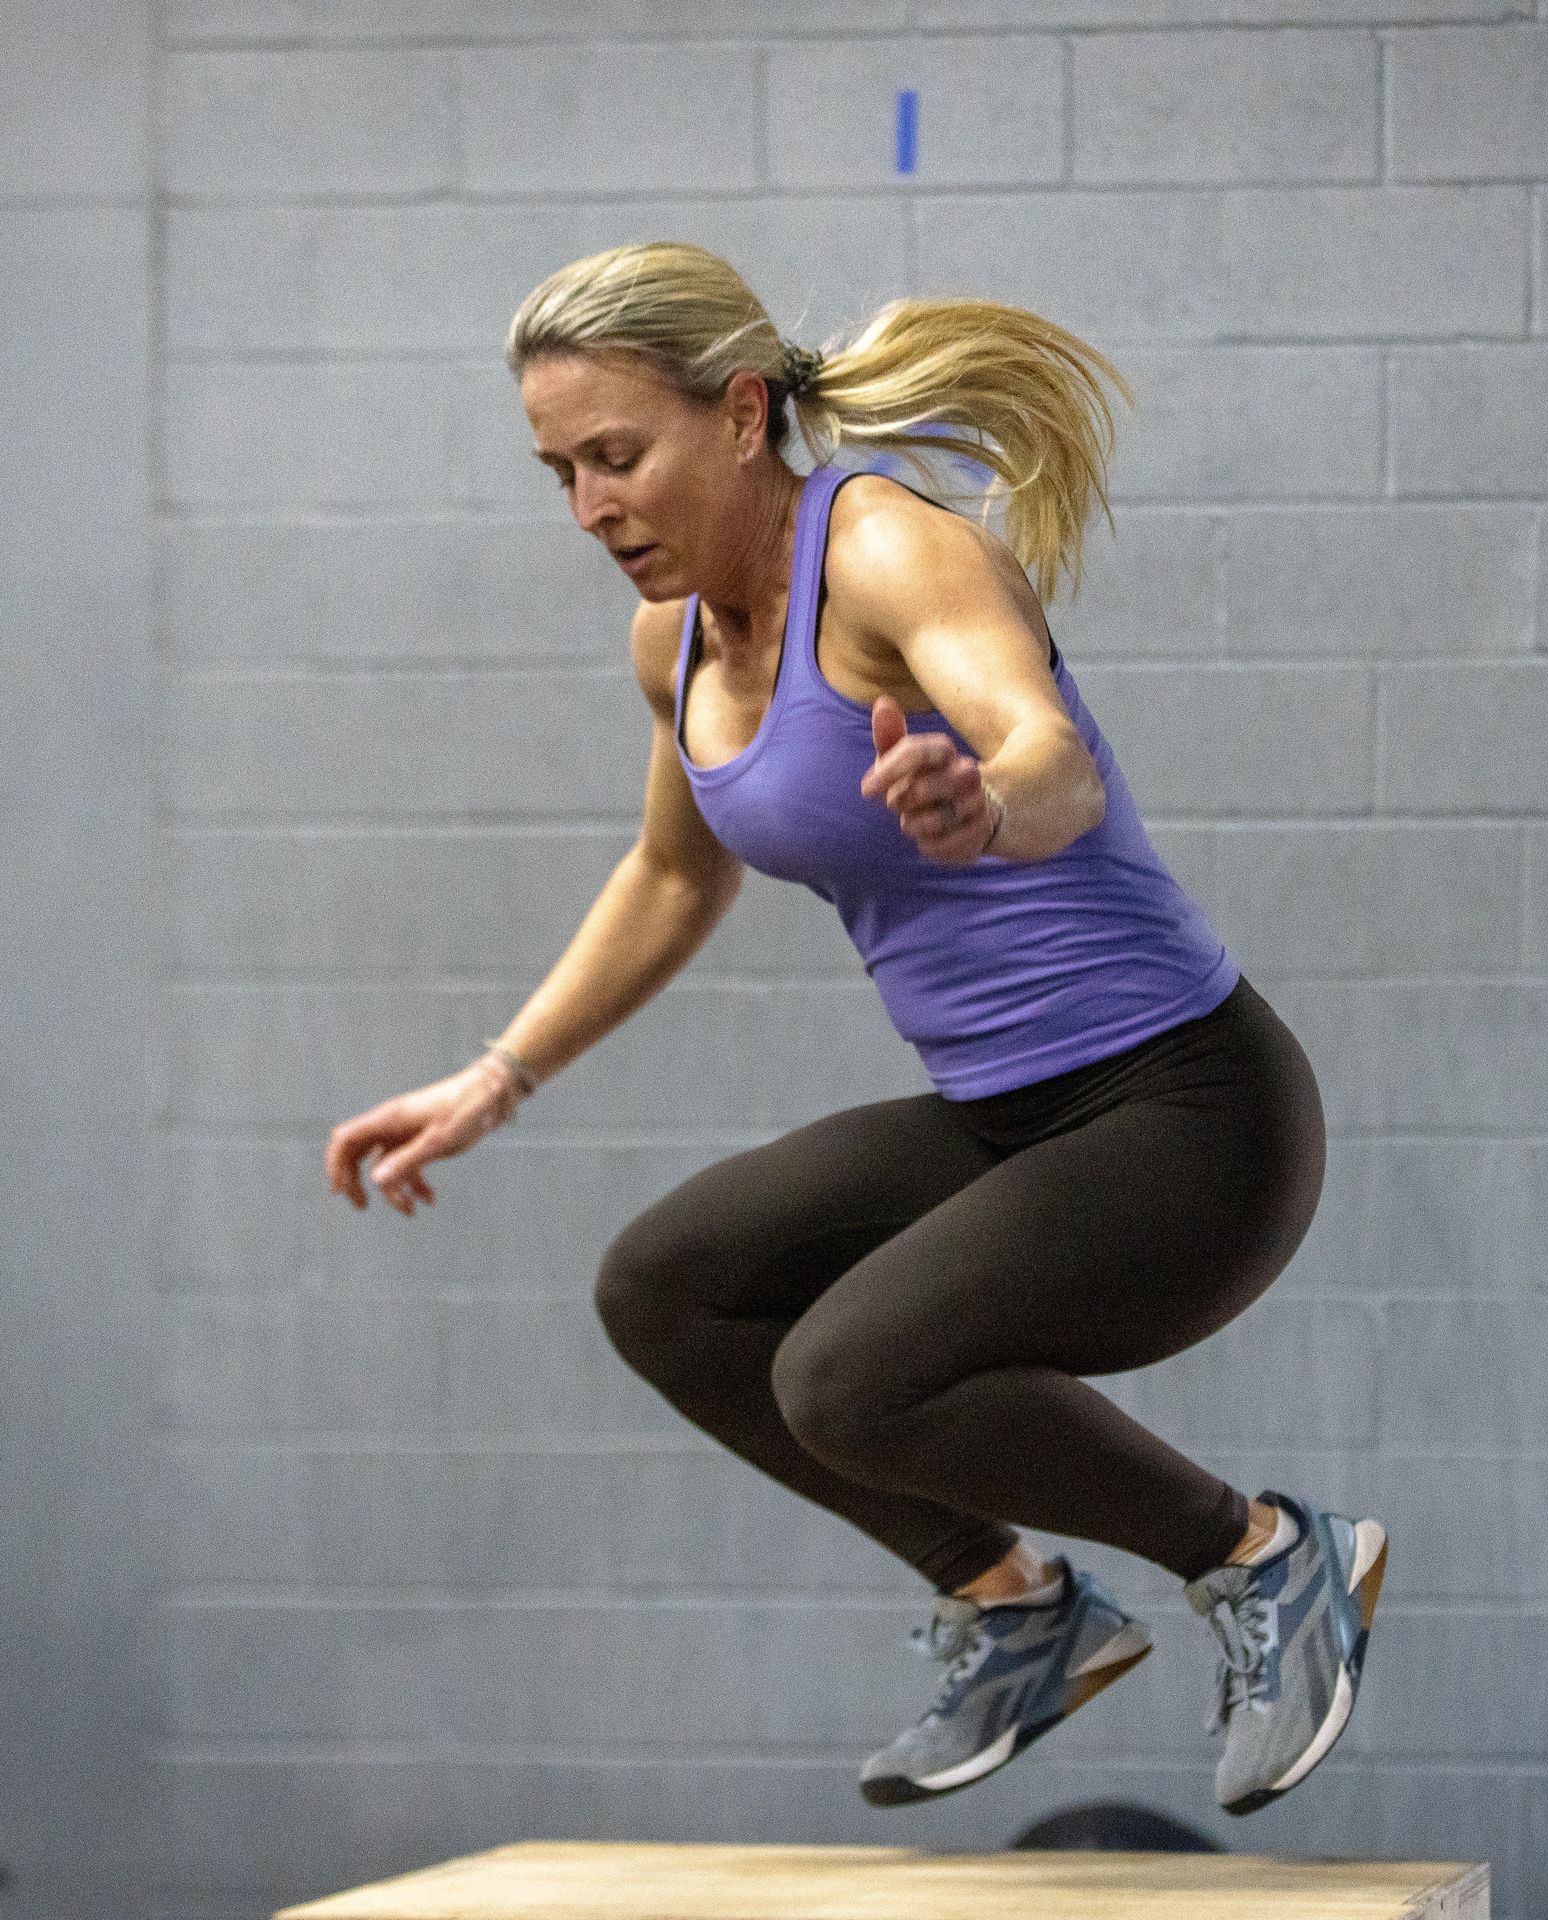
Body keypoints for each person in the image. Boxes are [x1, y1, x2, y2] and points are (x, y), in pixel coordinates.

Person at [323, 241, 1387, 1816]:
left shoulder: (888, 548)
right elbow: (672, 875)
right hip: (1001, 1119)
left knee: (849, 1376)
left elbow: (1047, 753)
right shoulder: (672, 638)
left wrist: (988, 802)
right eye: (560, 473)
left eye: (619, 457)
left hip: (1189, 1118)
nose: (592, 508)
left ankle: (1263, 1558)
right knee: (666, 1287)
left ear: (742, 412)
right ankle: (1018, 1610)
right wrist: (496, 1077)